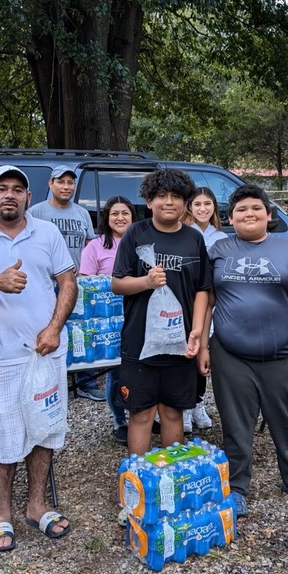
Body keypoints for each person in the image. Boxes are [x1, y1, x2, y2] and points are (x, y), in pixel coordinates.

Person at [0, 165, 77, 553]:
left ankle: (36, 506)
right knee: (4, 436)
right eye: (1, 188)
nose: (10, 194)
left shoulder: (48, 231)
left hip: (47, 352)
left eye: (18, 189)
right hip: (0, 355)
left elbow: (68, 282)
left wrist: (54, 327)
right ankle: (2, 514)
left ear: (27, 197)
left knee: (46, 428)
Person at [198, 184, 288, 518]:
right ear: (230, 218)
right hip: (230, 354)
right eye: (240, 210)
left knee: (285, 419)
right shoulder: (218, 250)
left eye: (255, 208)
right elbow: (206, 300)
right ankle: (237, 487)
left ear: (269, 215)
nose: (248, 214)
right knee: (236, 423)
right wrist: (203, 345)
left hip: (281, 354)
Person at [111, 169, 211, 456]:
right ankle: (139, 481)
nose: (169, 202)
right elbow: (118, 284)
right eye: (162, 196)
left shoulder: (193, 238)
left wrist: (198, 333)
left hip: (181, 344)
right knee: (141, 414)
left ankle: (171, 479)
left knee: (173, 412)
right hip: (139, 342)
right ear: (149, 200)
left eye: (177, 197)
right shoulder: (136, 233)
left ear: (186, 203)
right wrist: (146, 282)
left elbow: (203, 289)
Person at [28, 164, 100, 400]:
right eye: (61, 181)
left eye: (70, 182)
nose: (66, 186)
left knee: (80, 329)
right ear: (51, 184)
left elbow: (90, 245)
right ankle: (48, 381)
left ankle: (85, 383)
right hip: (46, 284)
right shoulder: (36, 212)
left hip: (74, 283)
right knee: (46, 329)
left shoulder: (81, 214)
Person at [80, 196, 136, 445]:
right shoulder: (95, 247)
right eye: (115, 213)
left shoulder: (141, 243)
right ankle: (119, 420)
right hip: (108, 321)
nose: (120, 218)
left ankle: (140, 415)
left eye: (125, 213)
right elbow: (86, 284)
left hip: (139, 314)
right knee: (116, 369)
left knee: (140, 369)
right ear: (106, 217)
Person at [182, 186, 223, 433]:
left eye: (207, 204)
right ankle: (184, 407)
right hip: (189, 304)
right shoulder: (184, 234)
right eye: (197, 204)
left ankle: (198, 403)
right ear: (189, 207)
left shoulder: (222, 238)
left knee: (203, 356)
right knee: (187, 353)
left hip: (213, 303)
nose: (203, 209)